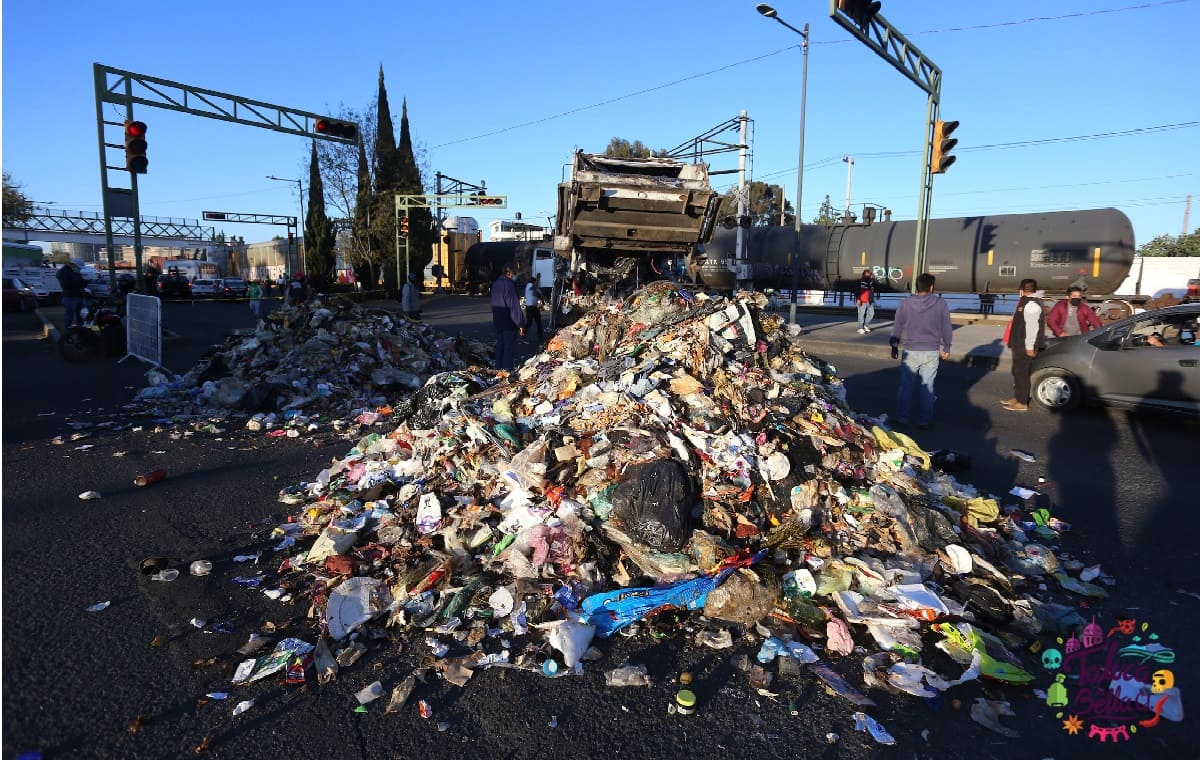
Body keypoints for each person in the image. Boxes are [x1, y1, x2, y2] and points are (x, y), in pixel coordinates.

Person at [888, 272, 953, 429]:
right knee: (927, 386)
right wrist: (947, 347)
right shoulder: (941, 304)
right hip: (931, 350)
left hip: (910, 350)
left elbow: (898, 325)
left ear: (917, 286)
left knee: (906, 386)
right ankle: (924, 420)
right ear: (932, 287)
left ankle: (902, 418)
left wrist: (894, 344)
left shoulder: (906, 303)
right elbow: (946, 327)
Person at [1001, 278, 1046, 412]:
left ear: (1021, 290)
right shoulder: (1026, 302)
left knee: (1022, 373)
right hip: (1019, 343)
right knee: (1016, 371)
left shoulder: (1031, 305)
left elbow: (1032, 327)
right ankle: (1018, 397)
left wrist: (1029, 346)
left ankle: (1022, 402)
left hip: (1024, 345)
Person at [491, 264, 525, 371]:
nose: (514, 276)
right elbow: (514, 306)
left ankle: (498, 368)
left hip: (498, 320)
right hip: (509, 322)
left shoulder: (495, 283)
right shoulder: (509, 285)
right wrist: (520, 323)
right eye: (514, 274)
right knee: (508, 347)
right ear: (509, 273)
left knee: (500, 346)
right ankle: (507, 369)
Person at [56, 260, 87, 329]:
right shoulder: (62, 272)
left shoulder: (76, 272)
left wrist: (86, 281)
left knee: (81, 315)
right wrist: (80, 282)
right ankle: (67, 332)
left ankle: (81, 330)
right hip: (69, 297)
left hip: (80, 296)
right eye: (77, 267)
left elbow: (82, 284)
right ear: (72, 264)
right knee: (70, 315)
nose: (78, 268)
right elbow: (67, 285)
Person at [854, 269, 877, 334]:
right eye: (867, 274)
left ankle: (865, 325)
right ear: (864, 275)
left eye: (869, 274)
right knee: (861, 315)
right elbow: (856, 291)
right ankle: (860, 328)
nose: (868, 275)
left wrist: (872, 279)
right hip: (862, 301)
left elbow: (875, 286)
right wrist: (858, 299)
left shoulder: (871, 282)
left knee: (871, 314)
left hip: (869, 301)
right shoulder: (859, 281)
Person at [523, 273, 544, 343]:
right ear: (533, 282)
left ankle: (540, 336)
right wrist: (538, 278)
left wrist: (545, 300)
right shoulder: (529, 285)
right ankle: (523, 335)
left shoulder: (535, 288)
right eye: (536, 282)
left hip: (534, 307)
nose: (538, 283)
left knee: (538, 322)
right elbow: (534, 288)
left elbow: (539, 294)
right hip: (529, 307)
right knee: (529, 322)